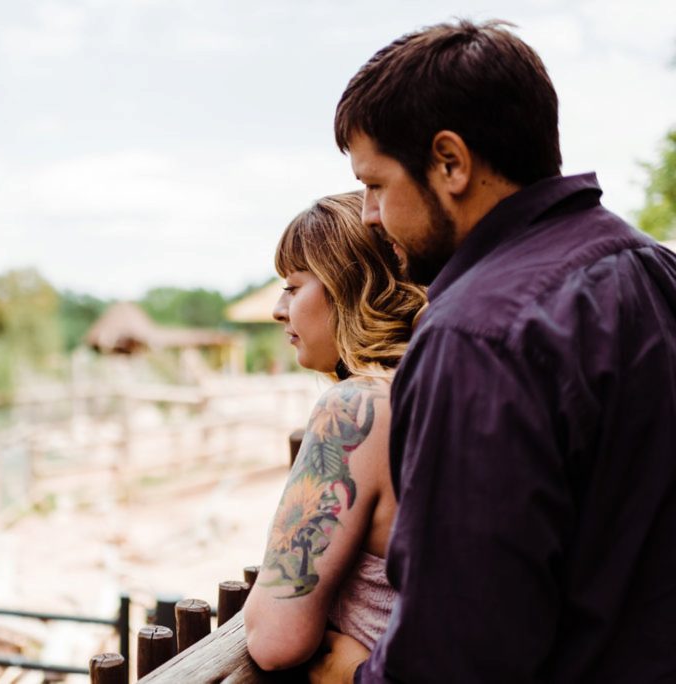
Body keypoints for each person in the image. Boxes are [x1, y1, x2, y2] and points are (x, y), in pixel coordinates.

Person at [321, 19, 676, 683]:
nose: (369, 215)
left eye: (376, 185)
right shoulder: (656, 271)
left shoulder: (476, 336)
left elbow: (457, 650)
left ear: (450, 162)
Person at [242, 192, 426, 673]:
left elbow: (274, 638)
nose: (280, 310)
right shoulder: (435, 385)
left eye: (294, 286)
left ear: (350, 287)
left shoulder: (358, 407)